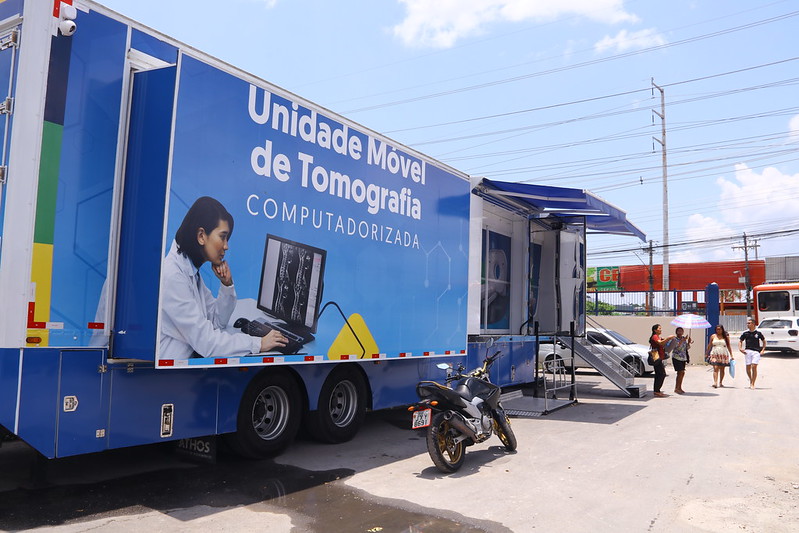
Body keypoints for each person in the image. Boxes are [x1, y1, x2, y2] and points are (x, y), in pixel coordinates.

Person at [159, 196, 287, 360]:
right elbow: (207, 343)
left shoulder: (191, 272)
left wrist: (226, 285)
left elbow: (216, 321)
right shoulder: (173, 276)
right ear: (201, 235)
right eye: (222, 236)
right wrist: (258, 344)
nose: (226, 246)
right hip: (171, 375)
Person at [649, 324, 676, 398]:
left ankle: (657, 390)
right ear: (655, 330)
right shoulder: (654, 336)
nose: (660, 330)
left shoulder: (657, 337)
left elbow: (661, 342)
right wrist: (668, 338)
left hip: (659, 357)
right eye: (659, 328)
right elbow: (660, 343)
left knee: (659, 374)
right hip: (656, 357)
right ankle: (657, 391)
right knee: (661, 374)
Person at [739, 317, 765, 389]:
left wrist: (763, 350)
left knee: (754, 366)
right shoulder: (745, 333)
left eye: (749, 323)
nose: (748, 324)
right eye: (747, 323)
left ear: (753, 324)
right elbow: (740, 341)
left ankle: (753, 383)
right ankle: (751, 379)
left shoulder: (758, 333)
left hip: (756, 351)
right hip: (747, 351)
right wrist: (740, 349)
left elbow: (764, 341)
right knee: (748, 367)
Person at [670, 327, 693, 394]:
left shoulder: (683, 339)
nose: (680, 332)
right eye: (678, 331)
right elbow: (676, 347)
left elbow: (686, 348)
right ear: (676, 332)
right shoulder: (674, 339)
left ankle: (679, 387)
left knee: (681, 373)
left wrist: (688, 343)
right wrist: (682, 340)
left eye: (681, 331)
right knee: (680, 372)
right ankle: (677, 388)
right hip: (676, 357)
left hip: (683, 358)